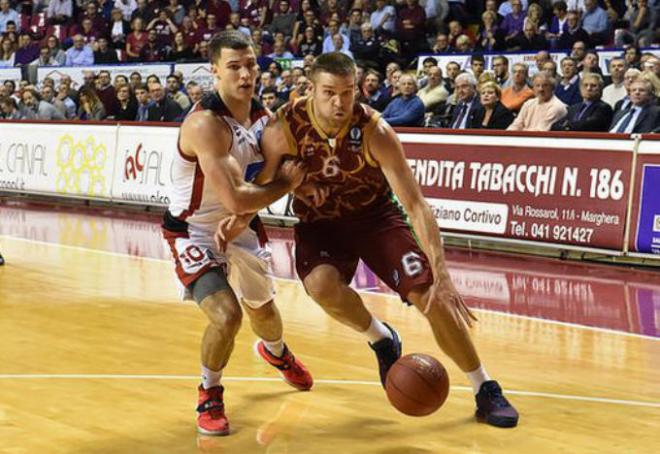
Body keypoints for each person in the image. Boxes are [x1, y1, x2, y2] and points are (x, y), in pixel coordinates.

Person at [248, 52, 519, 428]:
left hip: (375, 218)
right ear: (311, 88)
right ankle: (381, 338)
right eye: (329, 92)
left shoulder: (375, 130)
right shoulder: (284, 125)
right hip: (320, 223)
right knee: (321, 287)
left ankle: (485, 387)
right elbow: (260, 184)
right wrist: (292, 184)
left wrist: (442, 271)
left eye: (348, 92)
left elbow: (415, 204)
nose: (340, 103)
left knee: (432, 296)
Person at [161, 30, 313, 437]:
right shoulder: (204, 124)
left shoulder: (267, 120)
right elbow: (240, 196)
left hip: (242, 224)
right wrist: (283, 187)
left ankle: (277, 353)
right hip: (192, 231)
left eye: (250, 65)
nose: (246, 74)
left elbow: (265, 177)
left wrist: (247, 216)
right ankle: (209, 393)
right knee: (227, 316)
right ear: (214, 72)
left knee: (264, 313)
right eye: (234, 67)